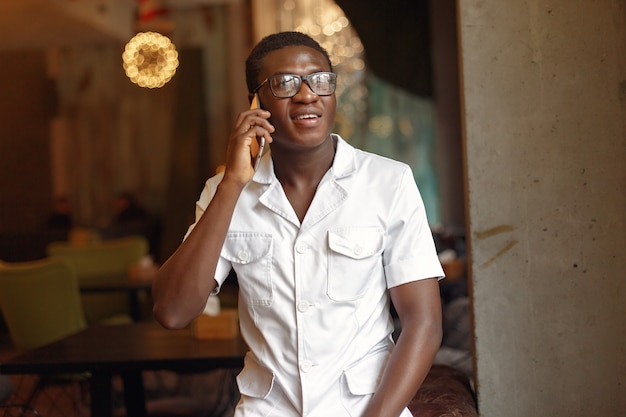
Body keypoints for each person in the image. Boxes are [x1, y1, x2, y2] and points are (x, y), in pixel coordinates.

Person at [153, 31, 444, 417]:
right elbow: (173, 312)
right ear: (256, 103)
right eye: (285, 83)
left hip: (366, 410)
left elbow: (423, 324)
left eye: (321, 80)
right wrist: (233, 184)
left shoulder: (388, 182)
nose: (308, 94)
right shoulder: (224, 192)